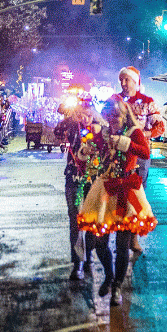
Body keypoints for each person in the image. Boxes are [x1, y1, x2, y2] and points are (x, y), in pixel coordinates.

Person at [77, 98, 156, 306]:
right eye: (108, 116)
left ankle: (118, 285)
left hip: (127, 191)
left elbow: (145, 153)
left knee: (122, 244)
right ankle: (110, 276)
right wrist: (86, 151)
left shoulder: (134, 133)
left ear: (124, 115)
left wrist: (124, 143)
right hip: (105, 191)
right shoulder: (102, 132)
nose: (111, 120)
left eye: (115, 116)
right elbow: (89, 147)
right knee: (99, 242)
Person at [114, 66, 160, 252]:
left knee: (136, 195)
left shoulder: (147, 101)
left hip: (138, 154)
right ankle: (117, 234)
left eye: (127, 80)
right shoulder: (114, 100)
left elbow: (159, 127)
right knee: (115, 193)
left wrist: (143, 134)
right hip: (115, 154)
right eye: (121, 80)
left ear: (135, 81)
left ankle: (133, 238)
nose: (124, 84)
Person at [54, 95, 100, 281]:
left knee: (91, 219)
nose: (85, 118)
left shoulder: (100, 129)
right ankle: (77, 262)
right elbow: (57, 130)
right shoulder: (72, 125)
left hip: (94, 179)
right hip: (73, 177)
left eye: (88, 114)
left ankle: (89, 256)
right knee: (75, 220)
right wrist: (70, 117)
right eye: (82, 114)